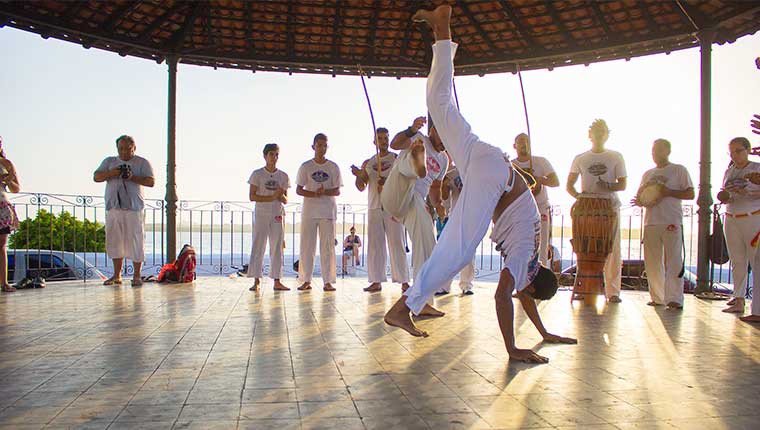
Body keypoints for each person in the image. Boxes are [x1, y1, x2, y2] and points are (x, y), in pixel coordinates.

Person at [384, 5, 576, 363]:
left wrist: (545, 333)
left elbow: (522, 297)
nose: (522, 292)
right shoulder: (523, 258)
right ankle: (404, 307)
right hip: (491, 178)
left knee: (438, 105)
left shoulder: (531, 259)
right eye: (528, 293)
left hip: (484, 156)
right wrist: (512, 349)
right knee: (458, 251)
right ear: (531, 284)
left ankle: (442, 27)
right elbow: (505, 296)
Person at [381, 114, 448, 316]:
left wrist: (438, 205)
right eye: (444, 135)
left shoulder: (444, 160)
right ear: (434, 131)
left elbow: (435, 187)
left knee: (427, 245)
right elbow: (395, 143)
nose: (447, 141)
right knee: (406, 161)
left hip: (415, 202)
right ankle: (416, 164)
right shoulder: (419, 137)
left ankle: (421, 302)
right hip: (396, 192)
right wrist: (411, 129)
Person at [566, 119, 627, 303]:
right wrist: (580, 197)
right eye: (596, 131)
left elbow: (622, 184)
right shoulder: (580, 158)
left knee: (612, 249)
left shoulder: (616, 156)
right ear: (589, 134)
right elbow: (569, 185)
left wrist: (607, 185)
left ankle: (613, 291)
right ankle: (587, 288)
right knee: (586, 247)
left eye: (602, 131)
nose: (599, 134)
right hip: (587, 208)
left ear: (607, 134)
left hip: (609, 206)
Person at [632, 139, 694, 310]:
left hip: (671, 220)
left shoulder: (678, 170)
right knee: (652, 262)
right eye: (653, 150)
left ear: (667, 151)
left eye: (658, 150)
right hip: (651, 221)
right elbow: (642, 196)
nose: (654, 153)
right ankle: (658, 296)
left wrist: (668, 192)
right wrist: (640, 201)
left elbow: (690, 193)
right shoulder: (647, 174)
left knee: (674, 259)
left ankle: (674, 298)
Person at [350, 128, 410, 291]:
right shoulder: (368, 163)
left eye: (386, 138)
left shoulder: (395, 159)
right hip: (374, 206)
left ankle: (404, 280)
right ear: (374, 141)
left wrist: (388, 182)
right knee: (375, 245)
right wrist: (358, 174)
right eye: (380, 138)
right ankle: (376, 280)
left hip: (392, 206)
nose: (383, 141)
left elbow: (404, 180)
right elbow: (361, 186)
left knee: (397, 242)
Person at [94, 135, 154, 287]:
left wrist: (132, 177)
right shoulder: (109, 162)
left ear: (134, 148)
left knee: (136, 240)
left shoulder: (142, 162)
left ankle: (137, 275)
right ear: (117, 148)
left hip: (134, 208)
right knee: (115, 240)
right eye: (121, 148)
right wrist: (112, 173)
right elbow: (96, 177)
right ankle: (116, 275)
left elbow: (151, 181)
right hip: (114, 207)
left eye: (128, 148)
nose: (124, 152)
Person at [716, 137, 760, 321]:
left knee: (756, 261)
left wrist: (749, 192)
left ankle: (757, 310)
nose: (734, 155)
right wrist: (725, 197)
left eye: (738, 151)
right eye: (731, 152)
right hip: (732, 217)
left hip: (753, 216)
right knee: (737, 260)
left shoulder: (756, 168)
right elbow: (725, 191)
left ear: (748, 150)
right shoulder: (730, 171)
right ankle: (738, 298)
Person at [296, 133, 342, 291]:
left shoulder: (333, 167)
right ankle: (305, 280)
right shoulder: (306, 166)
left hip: (327, 212)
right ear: (313, 146)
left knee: (327, 247)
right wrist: (314, 193)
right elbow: (299, 190)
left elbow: (337, 191)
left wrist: (325, 192)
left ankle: (327, 281)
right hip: (309, 212)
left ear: (327, 147)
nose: (321, 148)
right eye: (319, 145)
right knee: (307, 247)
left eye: (324, 145)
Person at [246, 143, 290, 291]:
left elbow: (285, 199)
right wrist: (271, 197)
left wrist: (280, 195)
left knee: (277, 246)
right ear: (265, 156)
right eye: (271, 154)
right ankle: (256, 280)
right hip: (261, 212)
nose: (274, 157)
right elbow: (252, 196)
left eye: (276, 154)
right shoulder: (257, 174)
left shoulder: (283, 176)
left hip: (277, 213)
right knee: (259, 244)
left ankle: (277, 280)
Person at [512, 133, 559, 267]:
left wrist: (539, 180)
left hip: (540, 206)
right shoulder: (512, 165)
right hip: (521, 209)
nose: (524, 144)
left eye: (527, 141)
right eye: (521, 141)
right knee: (520, 244)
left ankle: (541, 276)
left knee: (542, 245)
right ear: (515, 146)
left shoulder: (541, 162)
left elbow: (555, 181)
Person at [435, 163, 475, 295]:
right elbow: (445, 196)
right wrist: (444, 184)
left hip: (471, 215)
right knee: (450, 251)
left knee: (469, 251)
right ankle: (444, 285)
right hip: (455, 216)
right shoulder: (451, 172)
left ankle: (466, 285)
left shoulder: (476, 169)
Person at [0, 136, 20, 292]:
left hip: (2, 206)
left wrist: (9, 178)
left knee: (2, 246)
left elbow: (15, 189)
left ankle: (4, 282)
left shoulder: (6, 163)